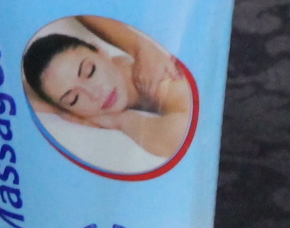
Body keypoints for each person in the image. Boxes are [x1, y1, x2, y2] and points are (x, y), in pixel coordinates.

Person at [23, 16, 193, 163]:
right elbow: (22, 92)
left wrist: (121, 120)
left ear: (101, 52)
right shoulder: (68, 100)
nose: (95, 94)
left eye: (90, 72)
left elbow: (183, 135)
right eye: (74, 98)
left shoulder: (154, 79)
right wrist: (59, 109)